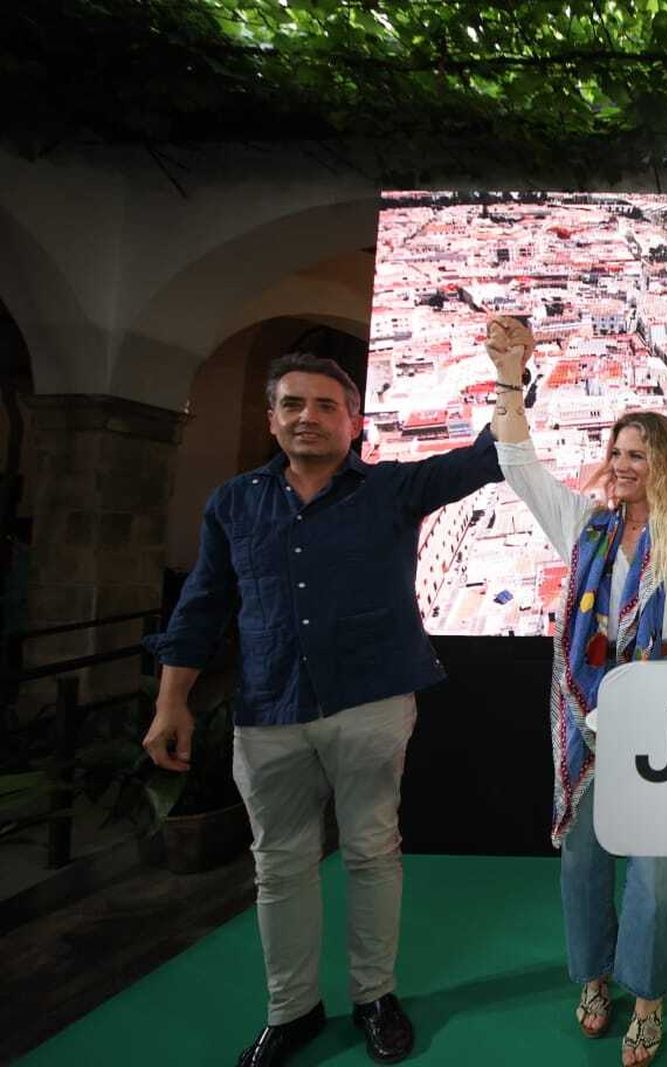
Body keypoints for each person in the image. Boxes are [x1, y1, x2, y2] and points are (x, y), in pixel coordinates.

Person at [143, 353, 503, 1067]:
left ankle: (375, 995)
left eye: (325, 405)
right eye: (292, 404)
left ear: (355, 420)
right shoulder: (234, 503)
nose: (307, 416)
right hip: (269, 706)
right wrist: (171, 700)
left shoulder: (391, 488)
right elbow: (202, 605)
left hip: (369, 701)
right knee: (279, 866)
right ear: (272, 416)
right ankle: (292, 1009)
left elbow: (484, 461)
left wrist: (514, 375)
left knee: (372, 851)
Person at [485, 315, 667, 1066]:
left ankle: (647, 995)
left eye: (637, 455)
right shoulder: (586, 527)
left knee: (655, 860)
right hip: (586, 709)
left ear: (666, 464)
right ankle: (592, 974)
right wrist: (508, 375)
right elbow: (518, 464)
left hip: (663, 713)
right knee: (584, 854)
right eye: (615, 452)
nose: (620, 465)